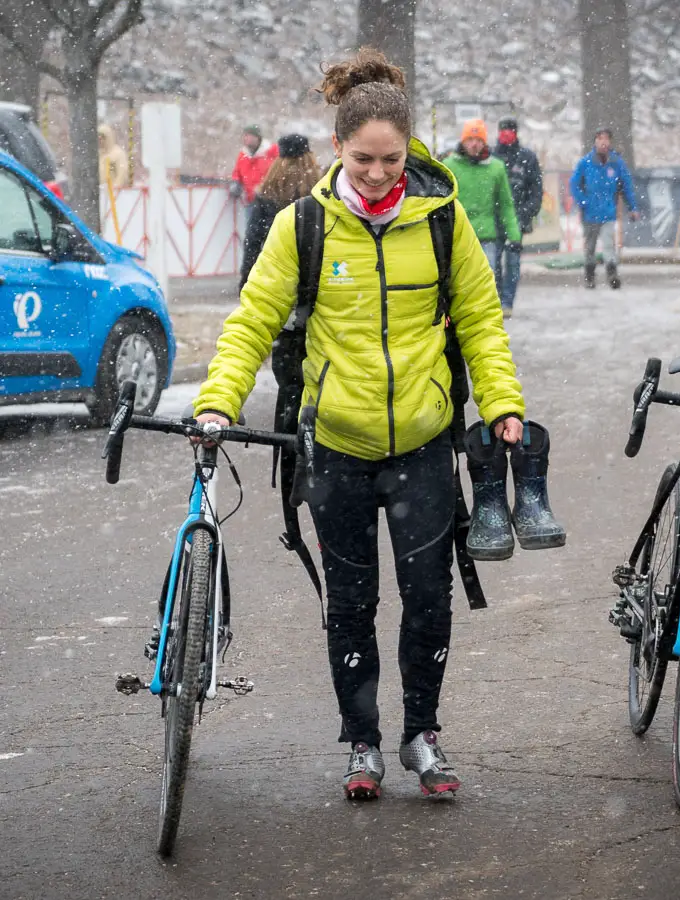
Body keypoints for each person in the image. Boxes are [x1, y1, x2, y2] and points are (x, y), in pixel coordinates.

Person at [193, 48, 526, 800]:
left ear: (409, 151)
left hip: (421, 445)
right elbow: (251, 322)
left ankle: (421, 735)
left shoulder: (442, 224)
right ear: (337, 149)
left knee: (429, 600)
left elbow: (481, 322)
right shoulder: (303, 225)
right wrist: (218, 398)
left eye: (391, 160)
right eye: (363, 158)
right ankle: (363, 743)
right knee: (349, 605)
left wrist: (503, 404)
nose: (377, 174)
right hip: (336, 449)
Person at [443, 119, 522, 317]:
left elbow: (506, 204)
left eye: (478, 139)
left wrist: (514, 235)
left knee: (488, 275)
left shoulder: (496, 168)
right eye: (470, 139)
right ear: (463, 141)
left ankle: (484, 313)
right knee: (458, 275)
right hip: (458, 232)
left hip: (486, 233)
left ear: (485, 142)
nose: (474, 144)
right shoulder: (449, 165)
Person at [238, 133, 319, 287]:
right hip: (314, 276)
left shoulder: (268, 191)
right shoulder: (321, 190)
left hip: (277, 274)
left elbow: (253, 240)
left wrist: (246, 279)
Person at [569, 127, 638, 289]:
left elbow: (626, 186)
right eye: (600, 138)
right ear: (595, 141)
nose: (603, 142)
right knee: (590, 247)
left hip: (608, 212)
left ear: (610, 142)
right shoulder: (585, 163)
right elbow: (574, 184)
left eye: (606, 139)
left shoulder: (616, 163)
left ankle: (612, 274)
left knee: (608, 244)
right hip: (589, 214)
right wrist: (583, 202)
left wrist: (632, 207)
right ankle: (589, 276)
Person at [492, 116, 543, 316]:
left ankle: (507, 302)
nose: (506, 133)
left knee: (512, 263)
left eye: (510, 129)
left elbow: (536, 190)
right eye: (503, 129)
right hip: (492, 222)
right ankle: (495, 300)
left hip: (517, 221)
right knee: (492, 263)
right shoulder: (491, 156)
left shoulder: (527, 157)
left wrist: (525, 214)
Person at [230, 124, 278, 212]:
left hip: (270, 201)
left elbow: (280, 171)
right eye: (244, 136)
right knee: (251, 225)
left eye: (249, 135)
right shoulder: (243, 155)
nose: (245, 138)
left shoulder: (272, 151)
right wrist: (235, 182)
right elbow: (237, 172)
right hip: (251, 201)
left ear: (257, 138)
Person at [97, 124, 130, 190]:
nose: (101, 141)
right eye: (99, 138)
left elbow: (122, 175)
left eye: (103, 138)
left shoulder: (118, 153)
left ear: (108, 138)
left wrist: (114, 189)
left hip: (113, 195)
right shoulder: (98, 154)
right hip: (100, 195)